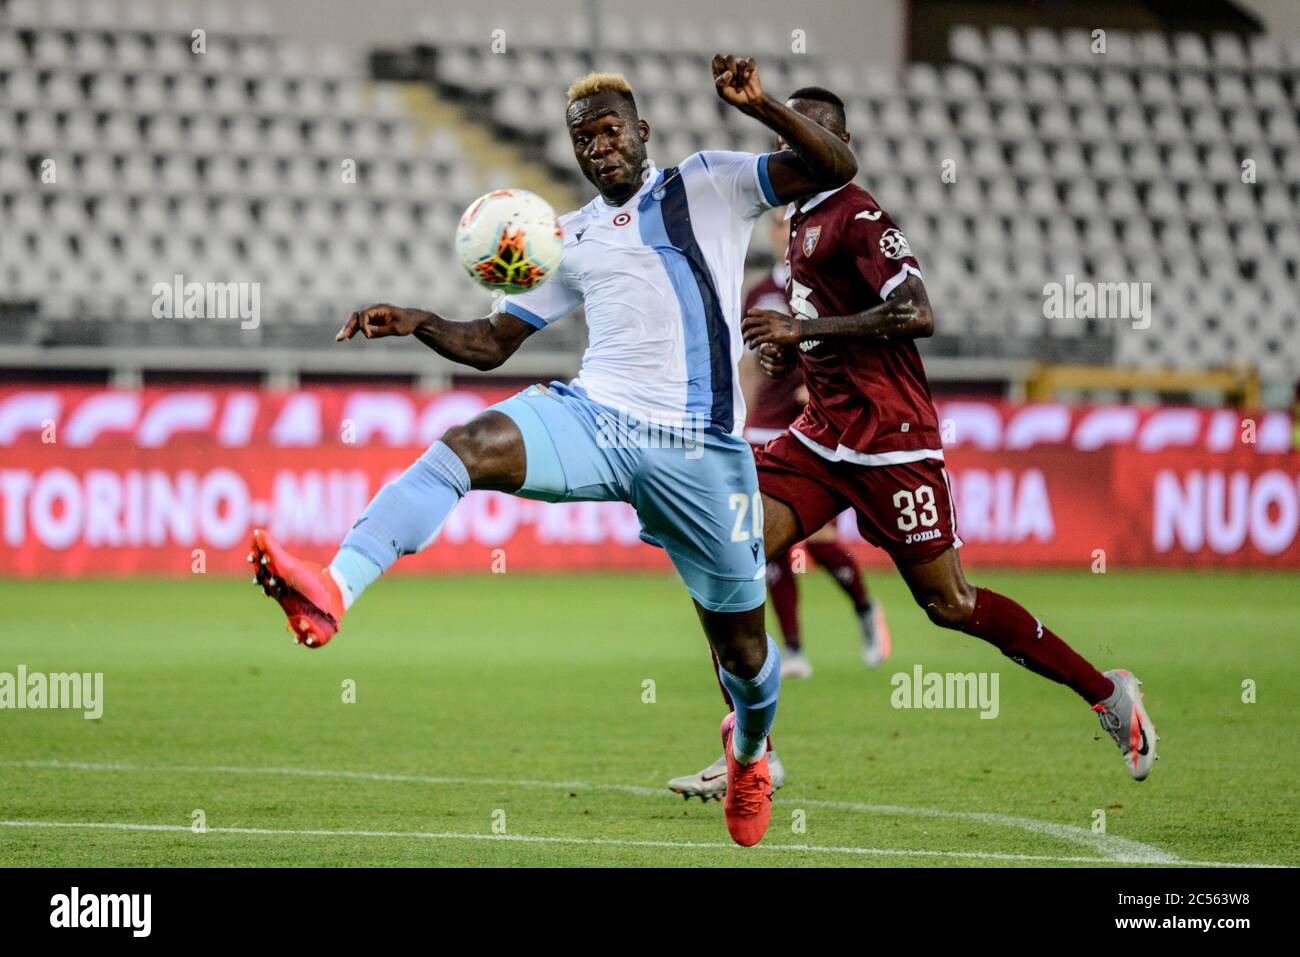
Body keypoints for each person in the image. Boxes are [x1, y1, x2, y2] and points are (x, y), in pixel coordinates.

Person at [246, 58, 859, 847]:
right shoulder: (562, 237)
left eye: (609, 129)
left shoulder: (710, 182)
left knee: (741, 647)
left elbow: (835, 167)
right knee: (463, 447)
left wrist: (762, 105)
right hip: (597, 418)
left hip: (702, 451)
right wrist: (420, 320)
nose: (598, 145)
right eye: (582, 138)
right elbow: (493, 343)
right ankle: (334, 588)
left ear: (641, 133)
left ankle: (747, 753)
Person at [667, 87, 1157, 801]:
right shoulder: (798, 224)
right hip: (821, 437)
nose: (782, 152)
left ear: (827, 144)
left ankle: (1108, 692)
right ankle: (754, 748)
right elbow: (832, 328)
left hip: (892, 441)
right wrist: (792, 357)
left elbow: (915, 312)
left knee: (950, 604)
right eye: (780, 141)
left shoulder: (858, 214)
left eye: (798, 138)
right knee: (724, 552)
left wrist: (802, 333)